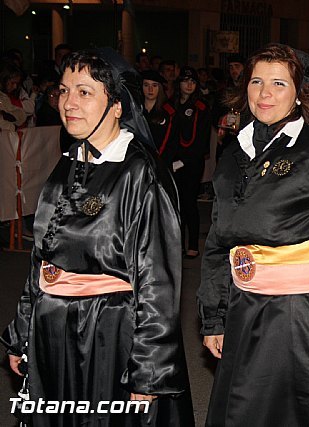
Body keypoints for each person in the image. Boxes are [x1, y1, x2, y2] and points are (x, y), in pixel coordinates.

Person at [1, 48, 194, 426]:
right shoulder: (69, 163)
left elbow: (158, 282)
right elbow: (43, 256)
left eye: (85, 92)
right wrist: (23, 330)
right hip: (54, 334)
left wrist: (149, 367)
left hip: (107, 337)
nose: (68, 103)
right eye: (63, 90)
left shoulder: (140, 174)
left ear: (118, 104)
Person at [197, 43, 309, 426]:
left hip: (303, 311)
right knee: (240, 410)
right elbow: (217, 241)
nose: (265, 93)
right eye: (257, 81)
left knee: (298, 413)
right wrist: (214, 317)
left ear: (300, 93)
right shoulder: (233, 154)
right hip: (244, 307)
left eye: (279, 83)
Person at [166, 65, 212, 259]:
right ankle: (177, 244)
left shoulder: (201, 107)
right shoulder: (170, 105)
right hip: (172, 161)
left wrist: (183, 160)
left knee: (189, 203)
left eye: (193, 81)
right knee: (174, 205)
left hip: (191, 162)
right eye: (186, 81)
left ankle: (192, 244)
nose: (189, 85)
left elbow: (201, 139)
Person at [141, 69, 173, 157]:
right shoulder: (136, 110)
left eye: (154, 85)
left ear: (160, 88)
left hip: (161, 160)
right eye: (146, 85)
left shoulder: (168, 112)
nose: (150, 89)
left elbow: (171, 142)